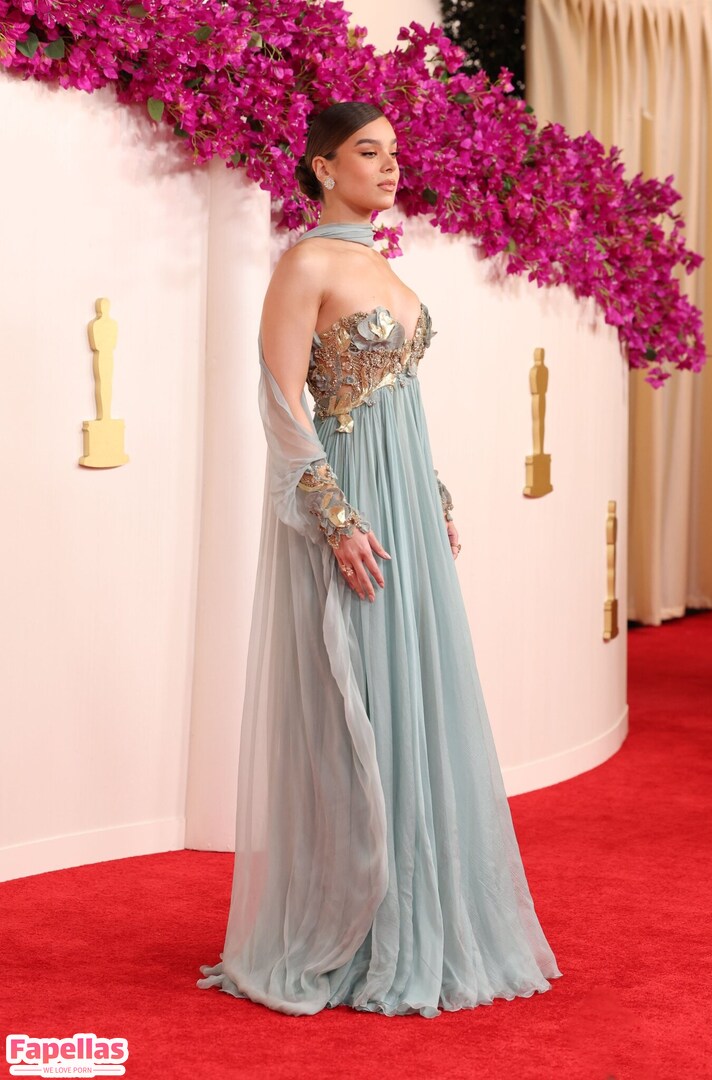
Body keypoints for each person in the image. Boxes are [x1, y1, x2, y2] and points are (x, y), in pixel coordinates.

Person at [197, 101, 562, 1018]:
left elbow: (401, 400)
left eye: (394, 151)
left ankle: (423, 911)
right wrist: (332, 515)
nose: (391, 165)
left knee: (416, 692)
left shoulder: (382, 266)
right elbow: (282, 401)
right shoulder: (307, 263)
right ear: (324, 167)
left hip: (404, 506)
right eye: (369, 151)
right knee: (357, 696)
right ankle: (355, 922)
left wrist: (432, 493)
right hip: (349, 504)